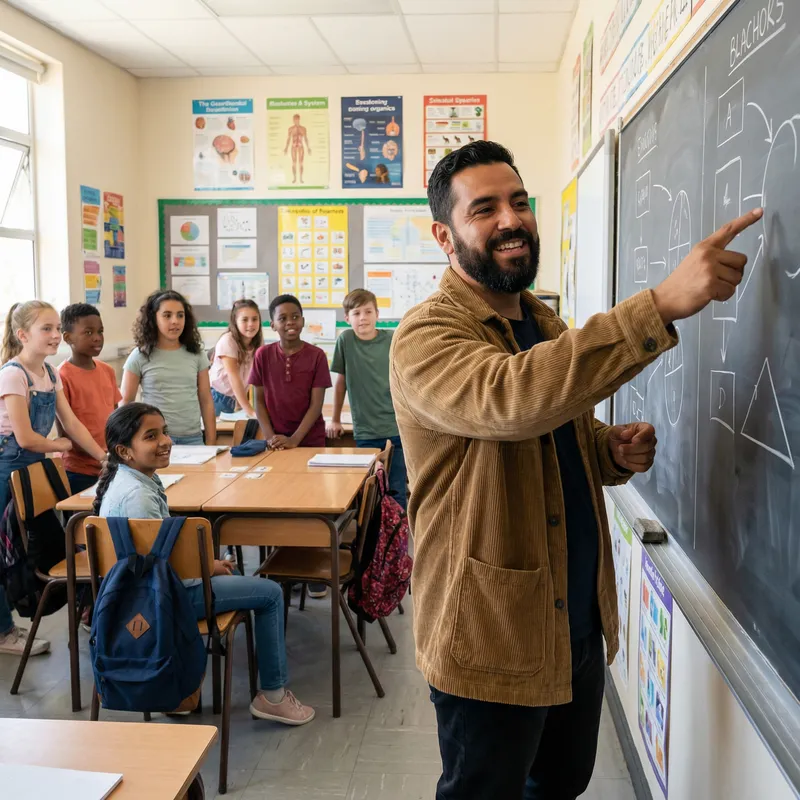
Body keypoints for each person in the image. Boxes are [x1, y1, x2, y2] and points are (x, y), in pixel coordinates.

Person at [389, 141, 762, 800]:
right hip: (490, 636)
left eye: (519, 201)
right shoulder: (424, 337)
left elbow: (551, 431)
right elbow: (511, 400)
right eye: (486, 209)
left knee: (560, 784)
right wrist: (661, 304)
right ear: (445, 236)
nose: (512, 219)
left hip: (577, 620)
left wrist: (605, 451)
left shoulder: (542, 322)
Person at [93, 402, 315, 725]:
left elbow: (156, 556)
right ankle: (273, 696)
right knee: (270, 593)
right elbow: (167, 571)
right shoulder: (137, 497)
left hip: (141, 595)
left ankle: (183, 690)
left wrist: (208, 564)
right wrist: (207, 567)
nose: (166, 441)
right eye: (151, 436)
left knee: (232, 571)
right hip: (161, 600)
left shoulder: (129, 481)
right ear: (125, 451)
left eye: (165, 432)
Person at [0, 301, 107, 658]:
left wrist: (101, 456)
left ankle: (84, 608)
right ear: (22, 335)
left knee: (43, 544)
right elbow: (27, 438)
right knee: (3, 554)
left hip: (29, 467)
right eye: (46, 328)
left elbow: (72, 422)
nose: (55, 335)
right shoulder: (13, 374)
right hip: (6, 467)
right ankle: (3, 631)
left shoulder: (48, 372)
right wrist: (61, 444)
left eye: (56, 328)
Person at [328, 289, 407, 509]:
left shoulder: (392, 339)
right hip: (366, 430)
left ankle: (396, 541)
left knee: (396, 488)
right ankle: (372, 541)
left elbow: (405, 378)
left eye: (368, 311)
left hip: (396, 428)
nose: (363, 317)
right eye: (356, 313)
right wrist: (334, 419)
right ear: (347, 318)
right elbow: (340, 383)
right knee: (368, 491)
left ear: (377, 314)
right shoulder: (345, 340)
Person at [121, 290, 216, 446]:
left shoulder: (197, 353)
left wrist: (211, 442)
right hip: (155, 440)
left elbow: (206, 400)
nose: (175, 321)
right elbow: (126, 403)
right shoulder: (140, 355)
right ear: (154, 319)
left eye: (180, 315)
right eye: (167, 315)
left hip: (192, 438)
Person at [249, 294, 331, 452]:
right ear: (273, 325)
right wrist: (270, 438)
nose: (290, 322)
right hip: (275, 442)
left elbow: (316, 405)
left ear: (303, 321)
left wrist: (294, 440)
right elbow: (258, 401)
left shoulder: (317, 355)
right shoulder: (262, 355)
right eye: (282, 318)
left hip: (310, 440)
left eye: (295, 316)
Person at [57, 303, 121, 495]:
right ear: (68, 338)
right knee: (81, 522)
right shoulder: (62, 375)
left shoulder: (107, 370)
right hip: (78, 470)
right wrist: (100, 457)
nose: (97, 338)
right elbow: (65, 430)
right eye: (88, 332)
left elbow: (116, 419)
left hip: (111, 464)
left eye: (100, 331)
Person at [209, 299, 262, 417]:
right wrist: (250, 410)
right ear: (235, 322)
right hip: (217, 397)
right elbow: (234, 379)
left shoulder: (256, 344)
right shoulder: (228, 341)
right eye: (244, 319)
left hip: (234, 399)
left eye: (255, 319)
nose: (251, 324)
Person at [283, 113, 311, 185]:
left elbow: (305, 139)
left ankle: (301, 178)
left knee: (301, 163)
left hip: (301, 146)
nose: (295, 121)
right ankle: (295, 178)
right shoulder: (291, 129)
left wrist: (308, 148)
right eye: (294, 120)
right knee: (294, 163)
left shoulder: (303, 129)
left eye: (296, 120)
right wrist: (286, 148)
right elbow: (289, 139)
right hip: (293, 147)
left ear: (299, 120)